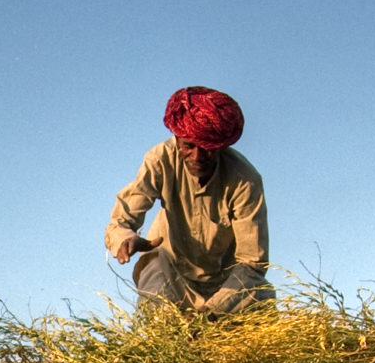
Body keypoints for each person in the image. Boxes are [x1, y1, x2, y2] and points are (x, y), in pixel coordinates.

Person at [105, 86, 271, 315]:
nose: (197, 157)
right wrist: (125, 238)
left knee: (260, 300)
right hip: (170, 269)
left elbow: (252, 263)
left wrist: (211, 311)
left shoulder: (245, 180)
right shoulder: (160, 160)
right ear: (177, 139)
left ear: (221, 146)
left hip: (227, 283)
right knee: (157, 306)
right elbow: (122, 221)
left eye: (207, 149)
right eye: (188, 146)